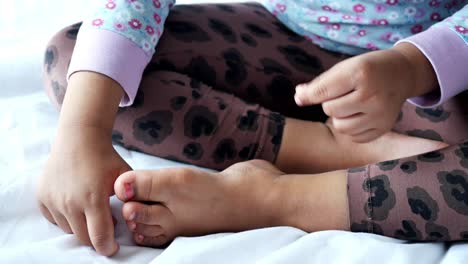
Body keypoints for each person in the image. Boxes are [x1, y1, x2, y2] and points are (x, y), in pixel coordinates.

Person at [38, 0, 468, 257]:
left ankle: (268, 199)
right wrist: (81, 129)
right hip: (288, 46)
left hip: (439, 78)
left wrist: (411, 67)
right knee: (74, 58)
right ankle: (329, 149)